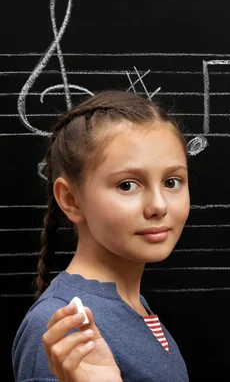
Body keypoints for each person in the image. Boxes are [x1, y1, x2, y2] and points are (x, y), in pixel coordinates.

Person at [12, 90, 191, 381]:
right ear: (71, 200)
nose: (159, 205)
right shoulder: (64, 328)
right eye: (127, 185)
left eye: (172, 181)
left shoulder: (132, 305)